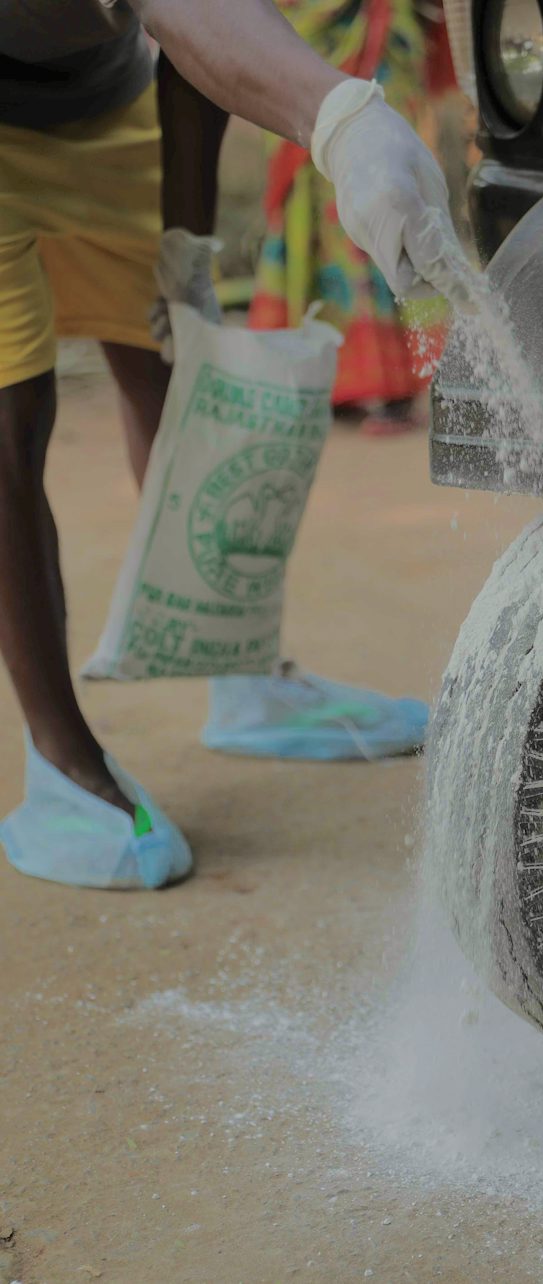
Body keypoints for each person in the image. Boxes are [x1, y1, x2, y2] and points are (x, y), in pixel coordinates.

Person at [0, 0, 471, 891]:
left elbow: (195, 46)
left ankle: (239, 670)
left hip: (102, 101)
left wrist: (185, 249)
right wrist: (342, 116)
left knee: (177, 372)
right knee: (10, 425)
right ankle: (60, 756)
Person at [249, 0, 451, 437]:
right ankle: (329, 379)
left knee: (381, 188)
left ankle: (394, 381)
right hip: (296, 31)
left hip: (377, 36)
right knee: (309, 204)